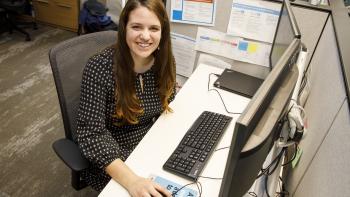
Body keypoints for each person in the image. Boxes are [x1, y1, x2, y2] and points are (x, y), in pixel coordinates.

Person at [76, 0, 176, 196]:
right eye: (136, 27)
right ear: (124, 28)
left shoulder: (165, 62)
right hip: (110, 157)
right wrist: (132, 181)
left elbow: (168, 99)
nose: (145, 36)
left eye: (154, 28)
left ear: (162, 32)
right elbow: (91, 135)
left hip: (149, 142)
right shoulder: (99, 67)